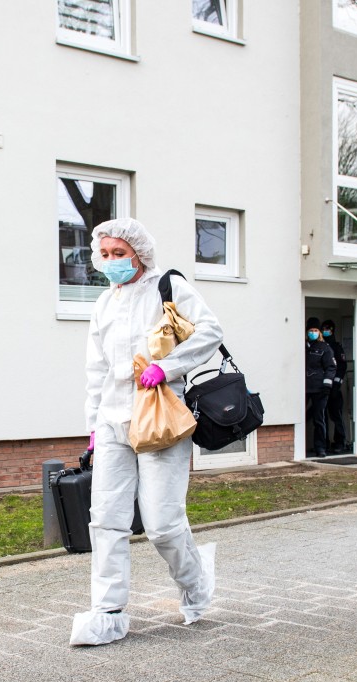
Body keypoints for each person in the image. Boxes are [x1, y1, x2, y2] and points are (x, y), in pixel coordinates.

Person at [71, 218, 222, 647]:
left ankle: (196, 584)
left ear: (139, 253)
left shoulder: (167, 287)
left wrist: (168, 367)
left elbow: (210, 330)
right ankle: (108, 612)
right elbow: (95, 368)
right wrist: (93, 427)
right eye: (105, 254)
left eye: (120, 253)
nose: (112, 261)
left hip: (159, 414)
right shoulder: (104, 302)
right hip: (112, 418)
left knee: (161, 523)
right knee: (106, 520)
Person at [304, 317, 336, 459]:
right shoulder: (302, 346)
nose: (313, 332)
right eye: (311, 330)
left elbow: (331, 367)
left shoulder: (324, 348)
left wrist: (327, 384)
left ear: (319, 332)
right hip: (304, 388)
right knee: (302, 417)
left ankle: (321, 448)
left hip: (319, 389)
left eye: (316, 330)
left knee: (319, 420)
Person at [321, 319, 349, 454]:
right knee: (322, 417)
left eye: (328, 329)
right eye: (324, 329)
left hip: (334, 389)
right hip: (321, 388)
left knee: (336, 415)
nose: (325, 331)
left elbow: (342, 367)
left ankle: (340, 442)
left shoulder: (336, 347)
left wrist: (336, 384)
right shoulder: (319, 346)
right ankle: (324, 443)